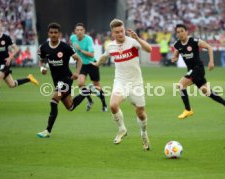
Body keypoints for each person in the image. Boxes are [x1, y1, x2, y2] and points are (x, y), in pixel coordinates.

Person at [93, 19, 152, 150]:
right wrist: (97, 64)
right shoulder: (111, 46)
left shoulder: (132, 41)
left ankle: (143, 133)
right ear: (112, 33)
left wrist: (138, 38)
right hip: (121, 81)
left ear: (124, 29)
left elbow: (149, 49)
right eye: (117, 32)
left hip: (136, 83)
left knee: (140, 112)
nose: (120, 34)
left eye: (122, 31)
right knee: (113, 105)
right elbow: (104, 56)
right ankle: (122, 129)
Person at [37, 22, 95, 138]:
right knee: (70, 107)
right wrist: (42, 68)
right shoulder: (44, 47)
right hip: (56, 81)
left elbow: (79, 59)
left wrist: (77, 73)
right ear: (48, 33)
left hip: (66, 79)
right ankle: (87, 90)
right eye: (51, 32)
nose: (53, 34)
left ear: (59, 34)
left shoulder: (65, 47)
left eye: (55, 33)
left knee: (53, 101)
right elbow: (42, 60)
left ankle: (47, 131)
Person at [171, 24, 225, 119]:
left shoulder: (194, 41)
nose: (180, 33)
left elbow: (209, 47)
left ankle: (188, 110)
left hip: (198, 69)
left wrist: (211, 62)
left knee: (181, 85)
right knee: (206, 91)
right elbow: (176, 54)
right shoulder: (177, 44)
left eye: (182, 31)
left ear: (186, 31)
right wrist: (174, 58)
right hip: (191, 71)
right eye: (178, 32)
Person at [0, 19, 38, 102]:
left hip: (6, 63)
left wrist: (10, 57)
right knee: (12, 84)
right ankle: (29, 79)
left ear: (1, 27)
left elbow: (16, 48)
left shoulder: (6, 38)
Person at [70, 23, 107, 112]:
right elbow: (73, 49)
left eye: (81, 30)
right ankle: (90, 101)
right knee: (80, 83)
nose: (79, 32)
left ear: (84, 31)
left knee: (97, 87)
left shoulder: (88, 39)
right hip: (81, 65)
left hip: (92, 64)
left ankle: (104, 105)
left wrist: (80, 50)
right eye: (77, 30)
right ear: (75, 31)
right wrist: (74, 55)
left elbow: (92, 54)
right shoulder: (72, 38)